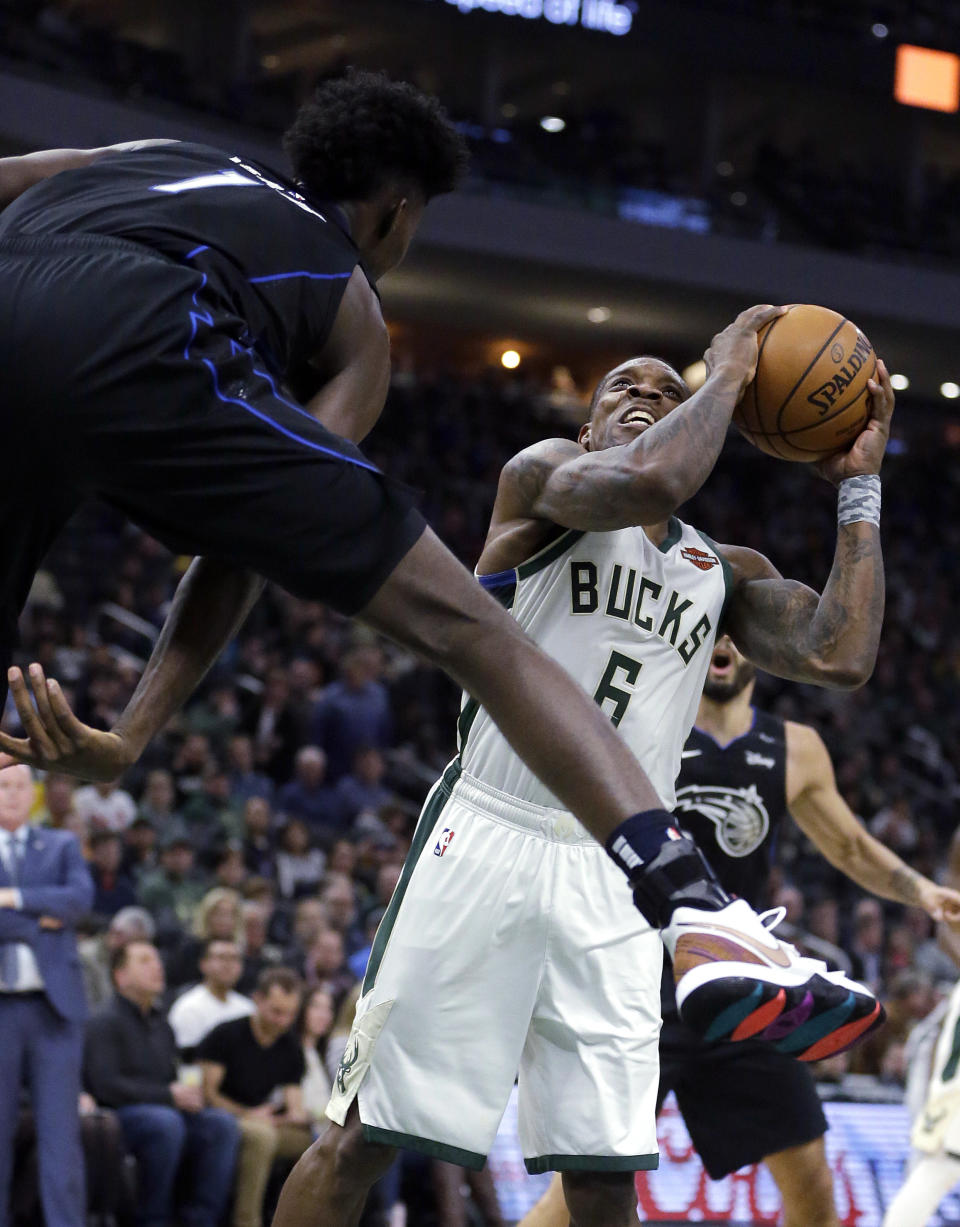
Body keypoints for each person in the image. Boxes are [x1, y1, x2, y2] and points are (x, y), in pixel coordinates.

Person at [0, 67, 844, 1061]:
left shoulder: (150, 160)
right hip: (151, 334)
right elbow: (252, 537)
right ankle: (695, 910)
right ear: (397, 215)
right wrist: (134, 732)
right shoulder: (353, 305)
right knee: (475, 632)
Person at [270, 350, 895, 1227]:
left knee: (603, 1176)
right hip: (492, 831)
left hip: (620, 872)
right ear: (586, 428)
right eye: (626, 390)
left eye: (666, 391)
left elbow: (841, 652)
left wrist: (858, 488)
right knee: (363, 1138)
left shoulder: (724, 571)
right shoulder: (544, 480)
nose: (648, 397)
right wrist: (732, 365)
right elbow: (647, 484)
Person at [522, 635, 960, 1227]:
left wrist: (922, 891)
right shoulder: (641, 724)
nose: (725, 641)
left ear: (760, 648)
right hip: (637, 988)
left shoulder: (795, 747)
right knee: (571, 1202)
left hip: (742, 986)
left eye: (739, 631)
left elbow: (850, 845)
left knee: (812, 1184)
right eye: (715, 628)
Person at [83, 939, 240, 1227]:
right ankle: (152, 1219)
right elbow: (105, 1085)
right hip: (121, 1115)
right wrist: (168, 1095)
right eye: (144, 961)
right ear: (120, 976)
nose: (157, 967)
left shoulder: (162, 1023)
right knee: (165, 1123)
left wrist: (187, 1094)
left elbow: (173, 1076)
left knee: (222, 1126)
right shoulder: (104, 1021)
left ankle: (201, 1219)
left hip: (166, 1111)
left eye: (157, 960)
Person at [0, 762, 93, 1227]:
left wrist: (12, 900)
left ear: (33, 793)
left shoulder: (60, 844)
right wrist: (43, 919)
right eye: (3, 786)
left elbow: (79, 899)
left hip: (55, 1010)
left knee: (61, 1138)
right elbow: (59, 907)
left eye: (20, 785)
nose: (12, 794)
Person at [198, 967, 311, 1227]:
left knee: (314, 1143)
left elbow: (294, 1103)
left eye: (291, 1014)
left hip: (266, 1121)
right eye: (276, 1011)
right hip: (223, 1117)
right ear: (257, 1000)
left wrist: (296, 1116)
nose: (283, 1021)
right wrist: (248, 1114)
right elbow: (208, 1094)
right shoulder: (225, 1035)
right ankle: (246, 1221)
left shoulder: (291, 1046)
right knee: (262, 1137)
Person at [168, 937, 255, 1057]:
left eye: (234, 959)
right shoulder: (188, 1008)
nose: (228, 965)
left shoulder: (248, 1008)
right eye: (221, 958)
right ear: (203, 964)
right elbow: (187, 1060)